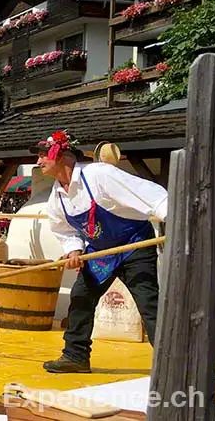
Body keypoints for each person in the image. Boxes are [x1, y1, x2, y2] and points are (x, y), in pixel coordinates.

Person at [32, 130, 167, 373]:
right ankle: (75, 356)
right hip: (100, 253)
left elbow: (152, 196)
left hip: (133, 245)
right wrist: (73, 250)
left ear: (62, 155)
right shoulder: (57, 197)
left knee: (149, 303)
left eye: (43, 155)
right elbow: (64, 230)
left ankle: (172, 362)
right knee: (81, 297)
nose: (38, 162)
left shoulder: (99, 175)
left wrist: (177, 222)